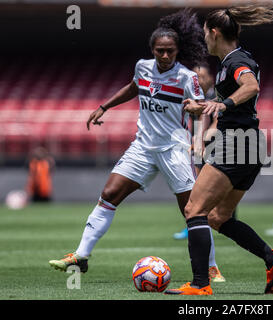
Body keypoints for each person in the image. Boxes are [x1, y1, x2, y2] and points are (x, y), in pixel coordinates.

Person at [48, 9, 225, 281]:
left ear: (178, 51)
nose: (165, 56)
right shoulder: (142, 67)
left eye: (170, 51)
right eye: (160, 51)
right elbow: (134, 87)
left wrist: (198, 136)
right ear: (152, 50)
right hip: (142, 147)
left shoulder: (186, 77)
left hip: (174, 149)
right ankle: (81, 256)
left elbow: (201, 108)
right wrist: (103, 107)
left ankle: (211, 266)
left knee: (193, 210)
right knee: (109, 194)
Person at [165, 6, 273, 296]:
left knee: (194, 210)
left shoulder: (237, 60)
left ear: (215, 32)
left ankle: (200, 284)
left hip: (235, 144)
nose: (204, 39)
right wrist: (204, 106)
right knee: (217, 217)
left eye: (205, 33)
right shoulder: (226, 64)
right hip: (251, 146)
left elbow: (251, 86)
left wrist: (224, 105)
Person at [173, 64, 237, 244]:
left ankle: (223, 220)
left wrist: (202, 138)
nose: (199, 80)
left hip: (220, 141)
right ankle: (195, 223)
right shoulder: (193, 96)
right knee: (198, 183)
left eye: (202, 76)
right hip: (202, 142)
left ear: (210, 77)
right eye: (196, 77)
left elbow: (214, 120)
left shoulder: (214, 95)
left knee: (219, 186)